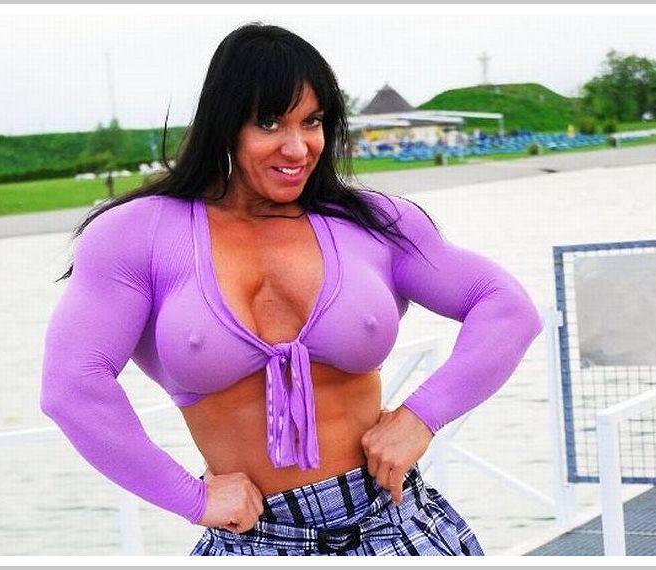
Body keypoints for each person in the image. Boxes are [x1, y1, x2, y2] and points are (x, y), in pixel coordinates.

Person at [40, 23, 542, 556]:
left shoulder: (373, 224)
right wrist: (190, 498)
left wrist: (422, 416)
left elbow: (507, 307)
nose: (297, 147)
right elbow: (73, 386)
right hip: (255, 539)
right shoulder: (136, 236)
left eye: (313, 122)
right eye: (269, 123)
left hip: (395, 526)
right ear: (224, 124)